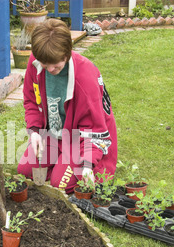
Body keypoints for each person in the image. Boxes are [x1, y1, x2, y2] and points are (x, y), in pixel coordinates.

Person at [17, 18, 118, 194]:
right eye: (44, 64)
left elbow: (94, 129)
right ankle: (60, 160)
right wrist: (34, 131)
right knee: (26, 171)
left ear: (67, 53)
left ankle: (66, 164)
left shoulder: (85, 78)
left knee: (60, 184)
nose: (49, 70)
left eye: (55, 66)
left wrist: (87, 164)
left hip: (82, 139)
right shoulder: (37, 60)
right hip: (55, 133)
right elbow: (31, 100)